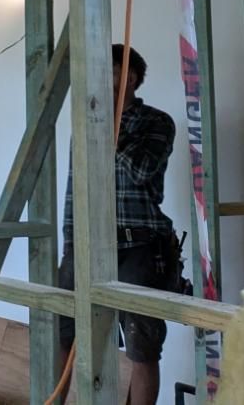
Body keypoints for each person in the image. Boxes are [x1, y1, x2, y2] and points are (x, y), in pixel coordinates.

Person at [56, 45, 179, 405]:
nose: (100, 80)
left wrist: (107, 128)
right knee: (65, 334)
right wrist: (69, 247)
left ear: (132, 78)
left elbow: (141, 169)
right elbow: (72, 189)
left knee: (142, 347)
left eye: (109, 72)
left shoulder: (156, 122)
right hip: (86, 246)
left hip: (138, 248)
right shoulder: (84, 123)